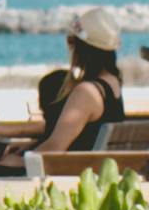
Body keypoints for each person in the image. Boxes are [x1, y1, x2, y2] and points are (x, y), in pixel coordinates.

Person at [31, 10, 127, 156]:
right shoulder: (112, 83)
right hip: (88, 169)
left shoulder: (87, 92)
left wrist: (20, 159)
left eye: (72, 41)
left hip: (69, 173)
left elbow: (54, 148)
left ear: (83, 48)